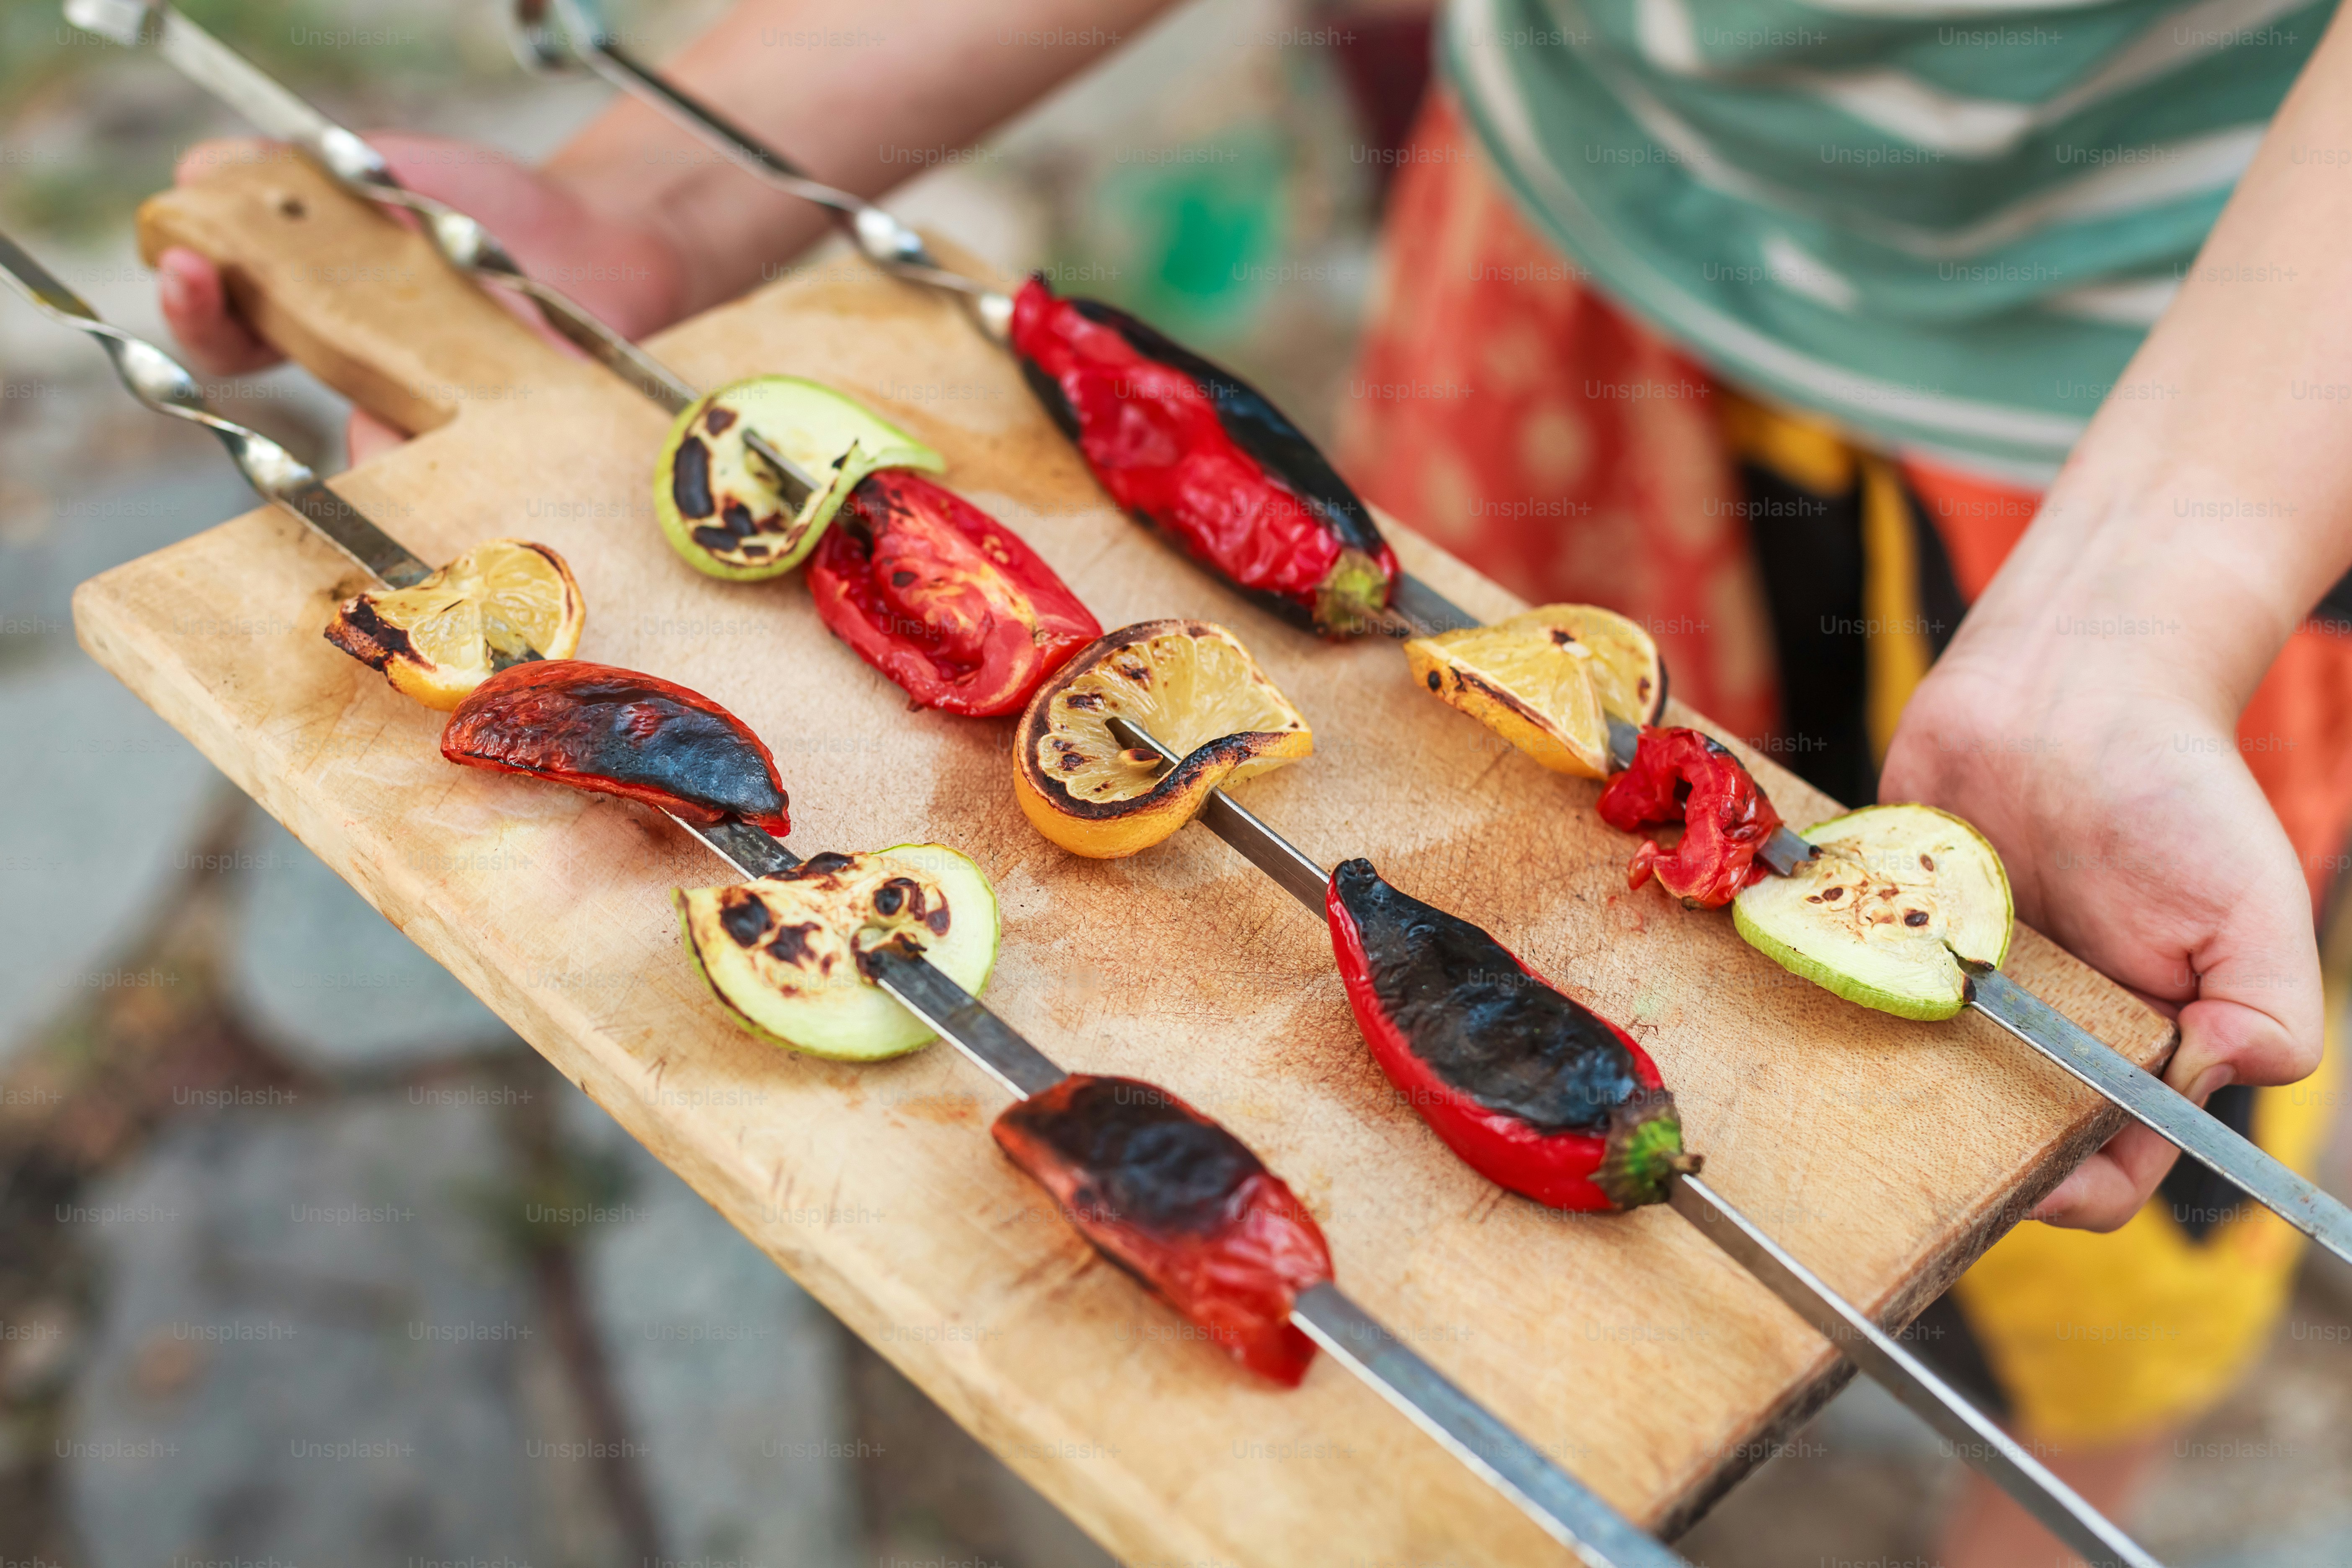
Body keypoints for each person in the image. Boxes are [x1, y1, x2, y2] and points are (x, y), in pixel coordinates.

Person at [156, 2, 2351, 1560]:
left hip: (2189, 403)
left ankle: (2075, 1483)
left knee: (2079, 1093)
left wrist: (2160, 585)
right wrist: (648, 196)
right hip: (1592, 256)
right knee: (1481, 717)